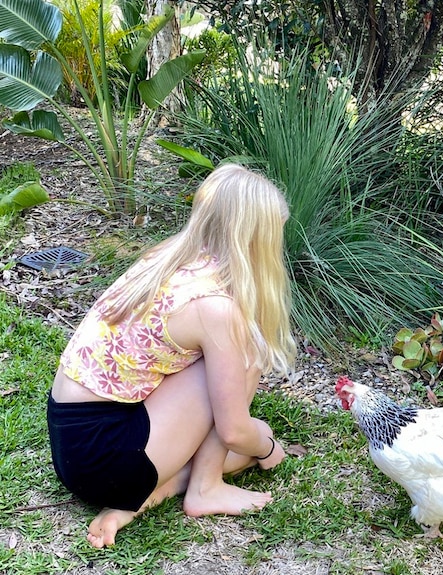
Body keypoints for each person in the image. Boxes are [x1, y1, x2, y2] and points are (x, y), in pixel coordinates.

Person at [47, 164, 297, 548]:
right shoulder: (214, 307)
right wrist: (266, 446)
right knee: (247, 363)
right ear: (255, 240)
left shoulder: (165, 259)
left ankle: (152, 493)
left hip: (72, 448)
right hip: (107, 458)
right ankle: (205, 487)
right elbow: (232, 431)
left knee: (234, 425)